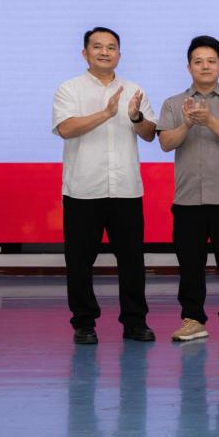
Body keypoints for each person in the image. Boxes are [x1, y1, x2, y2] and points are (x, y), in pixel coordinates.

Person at [52, 27, 158, 345]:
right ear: (84, 53)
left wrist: (136, 117)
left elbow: (149, 134)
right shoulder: (69, 89)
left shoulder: (134, 89)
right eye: (97, 47)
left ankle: (135, 321)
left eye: (111, 47)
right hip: (83, 190)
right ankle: (84, 323)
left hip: (126, 189)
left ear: (119, 55)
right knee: (80, 262)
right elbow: (66, 128)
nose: (104, 52)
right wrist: (107, 113)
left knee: (132, 261)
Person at [157, 36, 219, 343]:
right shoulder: (173, 103)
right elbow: (165, 143)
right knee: (190, 265)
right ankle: (193, 319)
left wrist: (209, 120)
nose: (205, 66)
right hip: (187, 200)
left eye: (211, 61)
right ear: (189, 67)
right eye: (198, 61)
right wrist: (185, 124)